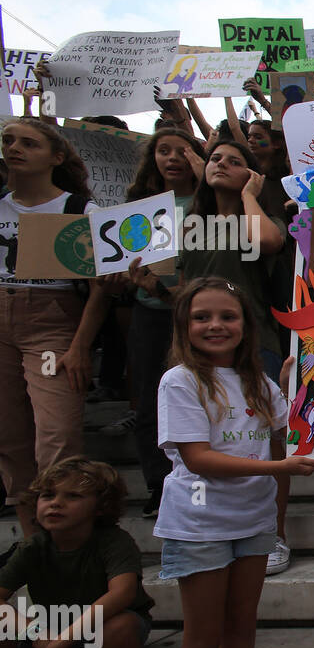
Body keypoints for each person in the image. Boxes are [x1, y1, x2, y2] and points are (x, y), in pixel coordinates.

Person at [155, 277, 314, 648]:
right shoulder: (179, 381)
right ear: (184, 325)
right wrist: (278, 465)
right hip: (200, 524)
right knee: (203, 637)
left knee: (242, 629)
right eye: (201, 316)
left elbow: (287, 441)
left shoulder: (260, 382)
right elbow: (198, 458)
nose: (215, 325)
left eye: (227, 316)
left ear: (246, 325)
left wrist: (277, 520)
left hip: (251, 524)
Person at [177, 139, 296, 573]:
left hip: (253, 345)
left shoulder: (265, 216)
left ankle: (272, 535)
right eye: (214, 159)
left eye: (235, 161)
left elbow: (266, 242)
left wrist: (248, 196)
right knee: (204, 440)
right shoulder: (190, 224)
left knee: (265, 442)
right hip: (195, 349)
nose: (221, 165)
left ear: (254, 175)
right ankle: (215, 530)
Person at [0, 457, 153, 648]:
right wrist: (40, 638)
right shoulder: (32, 547)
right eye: (48, 496)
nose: (56, 504)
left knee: (121, 625)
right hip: (47, 639)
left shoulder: (112, 541)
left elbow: (121, 593)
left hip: (101, 639)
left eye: (73, 496)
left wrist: (62, 642)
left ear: (100, 507)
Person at [0, 118, 113, 539]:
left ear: (57, 157)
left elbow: (101, 286)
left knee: (57, 434)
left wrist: (81, 345)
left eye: (29, 143)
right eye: (8, 141)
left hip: (51, 323)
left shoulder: (80, 211)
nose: (15, 149)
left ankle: (65, 540)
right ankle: (34, 544)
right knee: (8, 436)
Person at [123, 129, 208, 518]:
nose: (173, 158)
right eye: (163, 151)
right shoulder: (139, 207)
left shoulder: (208, 203)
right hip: (150, 315)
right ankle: (159, 485)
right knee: (150, 401)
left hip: (197, 317)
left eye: (183, 151)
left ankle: (204, 478)